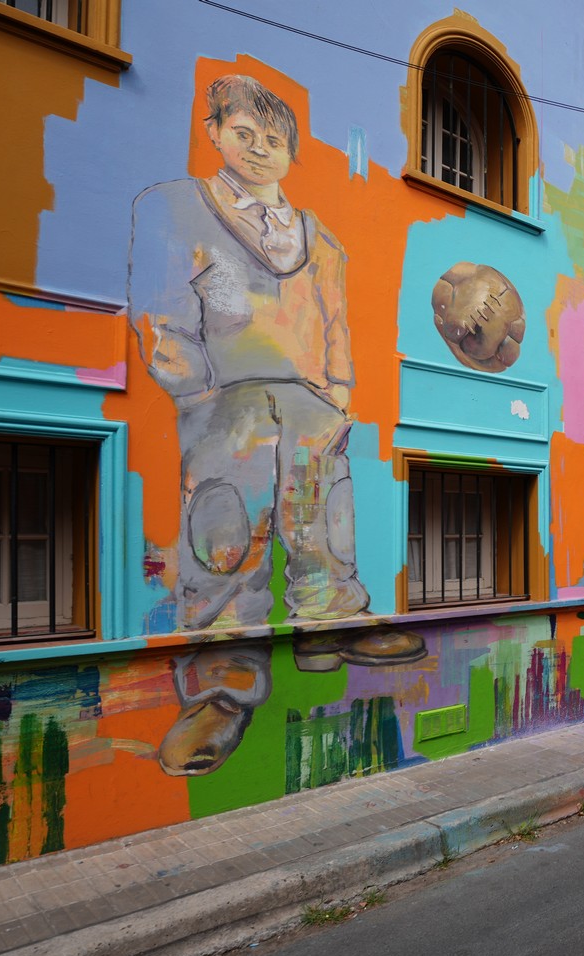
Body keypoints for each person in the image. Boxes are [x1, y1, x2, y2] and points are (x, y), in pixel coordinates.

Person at [129, 74, 423, 776]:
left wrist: (342, 389)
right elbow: (160, 308)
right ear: (214, 132)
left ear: (291, 152)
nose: (260, 151)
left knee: (326, 500)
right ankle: (222, 679)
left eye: (274, 141)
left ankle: (330, 618)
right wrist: (195, 390)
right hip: (222, 398)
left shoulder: (318, 237)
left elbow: (334, 319)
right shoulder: (175, 206)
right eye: (244, 135)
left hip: (308, 395)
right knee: (229, 520)